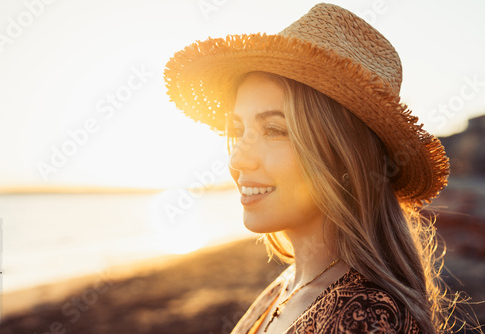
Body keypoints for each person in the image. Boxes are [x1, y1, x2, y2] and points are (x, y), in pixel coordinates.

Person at [163, 3, 472, 333]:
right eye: (238, 131)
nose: (238, 159)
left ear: (344, 156)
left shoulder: (368, 320)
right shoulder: (291, 283)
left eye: (275, 130)